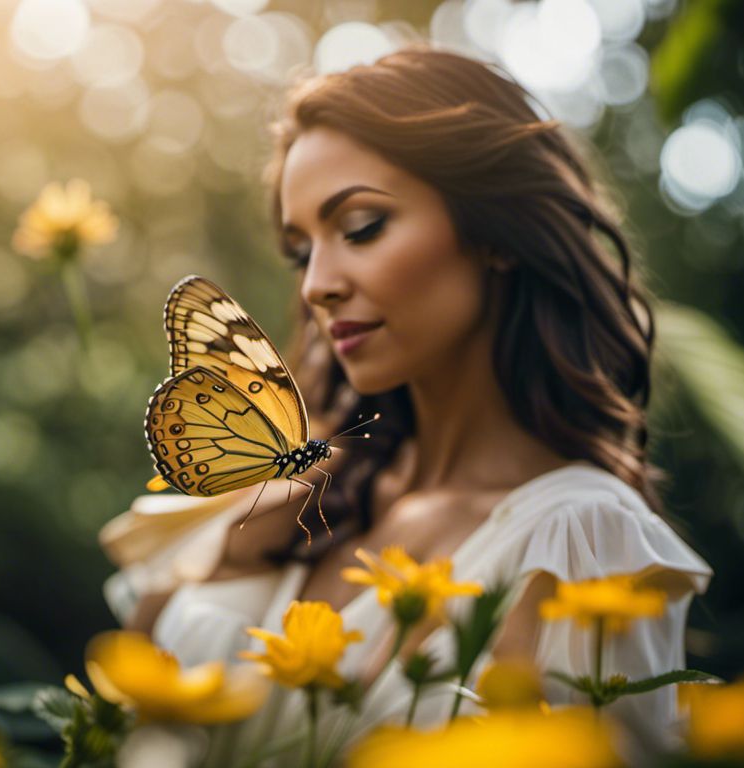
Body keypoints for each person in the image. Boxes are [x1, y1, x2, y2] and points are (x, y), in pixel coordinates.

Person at [100, 45, 712, 764]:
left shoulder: (579, 541)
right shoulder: (306, 490)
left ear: (495, 233)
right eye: (302, 252)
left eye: (360, 226)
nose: (316, 285)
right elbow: (117, 704)